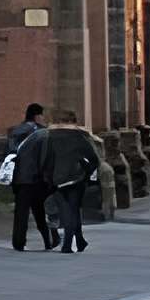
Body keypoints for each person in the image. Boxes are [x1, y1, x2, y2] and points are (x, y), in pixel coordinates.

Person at [37, 108, 100, 253]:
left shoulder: (48, 136)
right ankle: (69, 244)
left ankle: (77, 240)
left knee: (66, 211)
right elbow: (93, 159)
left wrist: (47, 176)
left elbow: (45, 159)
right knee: (74, 210)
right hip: (76, 178)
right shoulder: (79, 136)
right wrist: (86, 172)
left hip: (56, 178)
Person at [2, 102, 55, 250]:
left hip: (19, 178)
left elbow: (9, 154)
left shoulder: (14, 131)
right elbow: (46, 157)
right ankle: (49, 239)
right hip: (37, 178)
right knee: (41, 211)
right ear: (37, 116)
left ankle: (18, 242)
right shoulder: (43, 133)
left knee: (21, 212)